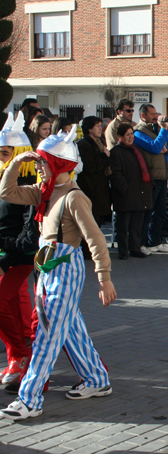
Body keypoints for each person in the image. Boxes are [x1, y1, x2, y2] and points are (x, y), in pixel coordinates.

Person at [0, 127, 117, 420]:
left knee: (47, 334)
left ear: (58, 164)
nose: (37, 168)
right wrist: (16, 162)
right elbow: (6, 191)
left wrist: (104, 278)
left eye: (42, 163)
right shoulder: (45, 191)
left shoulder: (74, 197)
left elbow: (96, 239)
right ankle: (96, 379)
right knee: (70, 329)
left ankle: (29, 399)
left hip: (64, 267)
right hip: (47, 267)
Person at [0, 113, 38, 389]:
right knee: (10, 305)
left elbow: (29, 230)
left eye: (5, 153)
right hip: (4, 255)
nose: (1, 158)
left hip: (17, 258)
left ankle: (23, 356)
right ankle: (19, 357)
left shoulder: (28, 185)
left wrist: (8, 252)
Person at [134, 104, 168, 253]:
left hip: (163, 176)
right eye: (152, 114)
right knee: (148, 212)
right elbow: (154, 148)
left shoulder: (157, 130)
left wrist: (166, 148)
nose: (155, 117)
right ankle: (143, 242)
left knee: (160, 211)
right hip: (150, 177)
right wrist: (164, 130)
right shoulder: (138, 132)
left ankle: (155, 241)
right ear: (143, 115)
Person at [109, 123, 152, 259]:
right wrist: (124, 188)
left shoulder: (137, 150)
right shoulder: (116, 152)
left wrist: (150, 185)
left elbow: (146, 169)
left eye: (132, 134)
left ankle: (135, 248)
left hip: (139, 192)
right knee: (123, 226)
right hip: (125, 194)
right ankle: (123, 251)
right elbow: (115, 173)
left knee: (136, 225)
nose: (130, 137)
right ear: (120, 136)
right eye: (127, 134)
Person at [77, 116, 112, 226]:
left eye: (100, 125)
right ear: (89, 129)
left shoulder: (100, 142)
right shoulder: (84, 144)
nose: (100, 128)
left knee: (98, 222)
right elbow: (90, 166)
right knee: (90, 223)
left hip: (100, 188)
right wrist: (104, 156)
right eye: (97, 126)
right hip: (90, 188)